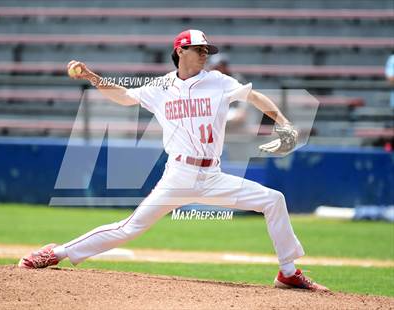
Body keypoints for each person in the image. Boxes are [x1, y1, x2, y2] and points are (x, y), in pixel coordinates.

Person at [19, 29, 328, 292]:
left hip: (213, 176)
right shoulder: (162, 87)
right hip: (178, 175)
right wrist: (92, 77)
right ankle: (54, 253)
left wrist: (283, 122)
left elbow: (255, 97)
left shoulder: (219, 82)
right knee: (129, 228)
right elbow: (125, 97)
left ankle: (288, 272)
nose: (206, 53)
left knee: (273, 200)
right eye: (199, 49)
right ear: (180, 51)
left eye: (208, 49)